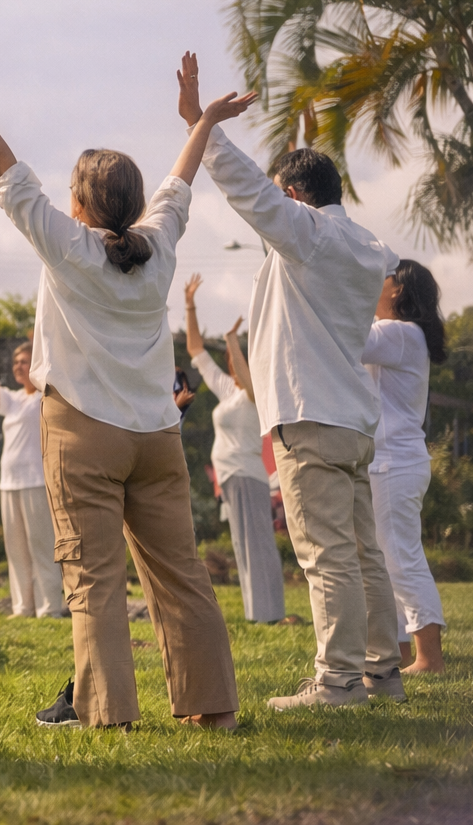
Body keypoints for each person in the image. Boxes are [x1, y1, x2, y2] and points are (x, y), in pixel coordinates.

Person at [0, 41, 241, 730]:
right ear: (134, 203)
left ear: (76, 204)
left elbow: (4, 171)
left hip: (83, 433)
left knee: (95, 579)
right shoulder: (159, 245)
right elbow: (181, 182)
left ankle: (108, 714)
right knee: (182, 574)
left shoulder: (68, 246)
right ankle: (213, 711)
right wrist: (203, 120)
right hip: (158, 436)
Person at [184, 50, 405, 709]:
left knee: (327, 555)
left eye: (284, 198)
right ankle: (381, 673)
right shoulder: (365, 247)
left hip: (310, 418)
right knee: (361, 553)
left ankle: (338, 683)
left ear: (297, 198)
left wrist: (202, 125)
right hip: (351, 420)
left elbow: (250, 192)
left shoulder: (310, 235)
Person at [181, 275, 285, 624]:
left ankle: (268, 614)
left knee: (257, 544)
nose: (231, 364)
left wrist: (231, 341)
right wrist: (190, 305)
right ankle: (258, 612)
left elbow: (245, 372)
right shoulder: (229, 391)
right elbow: (196, 351)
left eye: (237, 360)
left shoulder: (257, 394)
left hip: (247, 474)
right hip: (231, 476)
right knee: (243, 545)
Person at [364, 259, 447, 673]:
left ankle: (429, 657)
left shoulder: (397, 333)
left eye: (384, 276)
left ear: (397, 291)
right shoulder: (402, 334)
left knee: (401, 559)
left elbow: (345, 337)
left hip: (394, 464)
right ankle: (400, 651)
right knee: (390, 560)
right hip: (395, 462)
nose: (375, 281)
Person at [0, 329, 65, 618]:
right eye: (15, 362)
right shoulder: (12, 399)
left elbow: (55, 369)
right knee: (16, 549)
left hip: (36, 481)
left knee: (41, 545)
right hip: (9, 483)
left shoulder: (45, 395)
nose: (19, 366)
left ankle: (49, 607)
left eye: (24, 361)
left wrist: (43, 344)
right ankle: (23, 607)